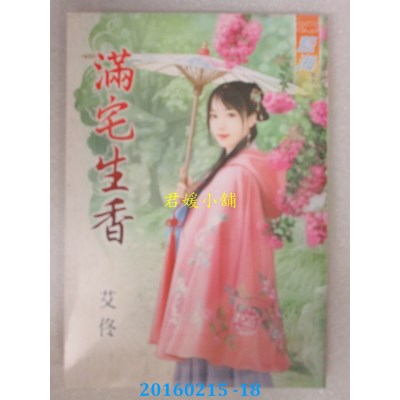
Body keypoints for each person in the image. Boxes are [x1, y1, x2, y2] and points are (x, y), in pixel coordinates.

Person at [149, 81, 291, 387]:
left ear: (252, 118)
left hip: (214, 288)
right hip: (220, 286)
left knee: (217, 368)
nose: (220, 124)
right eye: (213, 115)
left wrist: (187, 201)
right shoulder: (234, 167)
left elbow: (212, 224)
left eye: (230, 114)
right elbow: (205, 207)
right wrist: (185, 195)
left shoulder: (237, 174)